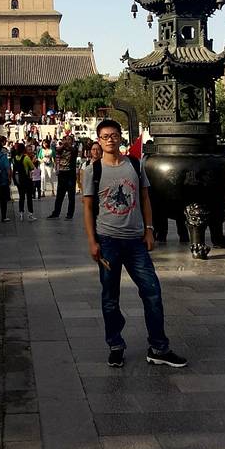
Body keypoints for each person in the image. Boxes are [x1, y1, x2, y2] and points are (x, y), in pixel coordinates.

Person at [82, 119, 187, 370]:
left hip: (136, 241)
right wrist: (92, 242)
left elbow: (145, 198)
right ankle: (115, 345)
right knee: (110, 297)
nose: (110, 139)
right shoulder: (93, 171)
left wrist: (149, 230)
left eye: (114, 135)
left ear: (121, 137)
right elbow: (87, 207)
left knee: (152, 292)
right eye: (105, 136)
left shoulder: (135, 165)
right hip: (108, 240)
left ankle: (159, 347)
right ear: (99, 140)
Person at [47, 134, 77, 220]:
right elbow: (56, 150)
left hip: (70, 174)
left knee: (71, 196)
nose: (67, 141)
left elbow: (73, 150)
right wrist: (63, 145)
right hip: (62, 174)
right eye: (66, 139)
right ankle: (56, 213)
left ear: (72, 141)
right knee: (60, 195)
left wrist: (67, 145)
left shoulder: (74, 149)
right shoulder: (61, 149)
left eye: (69, 139)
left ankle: (70, 214)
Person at [12, 142, 35, 221]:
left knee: (21, 197)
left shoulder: (14, 158)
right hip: (27, 180)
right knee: (29, 197)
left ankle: (21, 213)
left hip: (19, 180)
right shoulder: (26, 158)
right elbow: (32, 167)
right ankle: (30, 214)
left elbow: (14, 169)